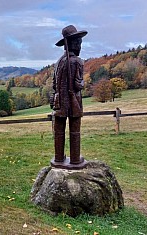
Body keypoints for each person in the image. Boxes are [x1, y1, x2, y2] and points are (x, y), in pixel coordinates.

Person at [50, 25, 88, 169]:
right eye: (79, 42)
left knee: (59, 131)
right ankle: (75, 159)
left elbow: (54, 84)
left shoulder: (58, 62)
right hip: (73, 103)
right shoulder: (77, 61)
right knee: (75, 131)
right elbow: (78, 85)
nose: (80, 45)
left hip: (59, 102)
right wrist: (81, 83)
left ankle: (59, 157)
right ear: (73, 43)